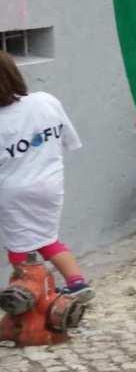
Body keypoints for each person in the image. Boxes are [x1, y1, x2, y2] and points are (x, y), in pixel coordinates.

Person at [0, 51, 93, 307]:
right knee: (47, 238)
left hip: (13, 192)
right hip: (51, 185)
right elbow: (68, 141)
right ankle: (77, 283)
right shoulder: (45, 101)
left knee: (19, 248)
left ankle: (34, 296)